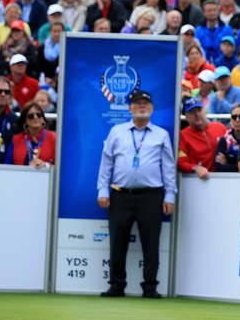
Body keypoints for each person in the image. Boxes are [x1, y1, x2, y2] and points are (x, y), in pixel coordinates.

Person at [96, 90, 176, 298]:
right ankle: (116, 285)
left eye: (146, 103)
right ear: (130, 108)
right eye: (137, 103)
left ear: (152, 109)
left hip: (151, 196)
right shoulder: (117, 131)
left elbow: (168, 167)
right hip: (120, 195)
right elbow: (107, 163)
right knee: (117, 242)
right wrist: (103, 190)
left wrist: (170, 196)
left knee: (151, 243)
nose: (142, 106)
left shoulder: (161, 134)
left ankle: (150, 287)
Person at [177, 97, 226, 179]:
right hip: (198, 180)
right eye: (192, 112)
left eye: (199, 110)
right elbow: (181, 162)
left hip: (222, 178)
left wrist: (227, 159)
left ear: (205, 111)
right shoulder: (183, 135)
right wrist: (195, 168)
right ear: (187, 117)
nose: (197, 114)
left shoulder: (220, 127)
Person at [4, 100, 56, 167]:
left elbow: (63, 167)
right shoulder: (16, 139)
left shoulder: (54, 138)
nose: (35, 117)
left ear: (43, 118)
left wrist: (46, 165)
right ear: (25, 120)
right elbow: (7, 165)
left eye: (39, 115)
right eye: (30, 116)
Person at [214, 103, 240, 172]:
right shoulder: (224, 140)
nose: (237, 120)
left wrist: (227, 164)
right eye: (234, 117)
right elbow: (219, 167)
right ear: (231, 119)